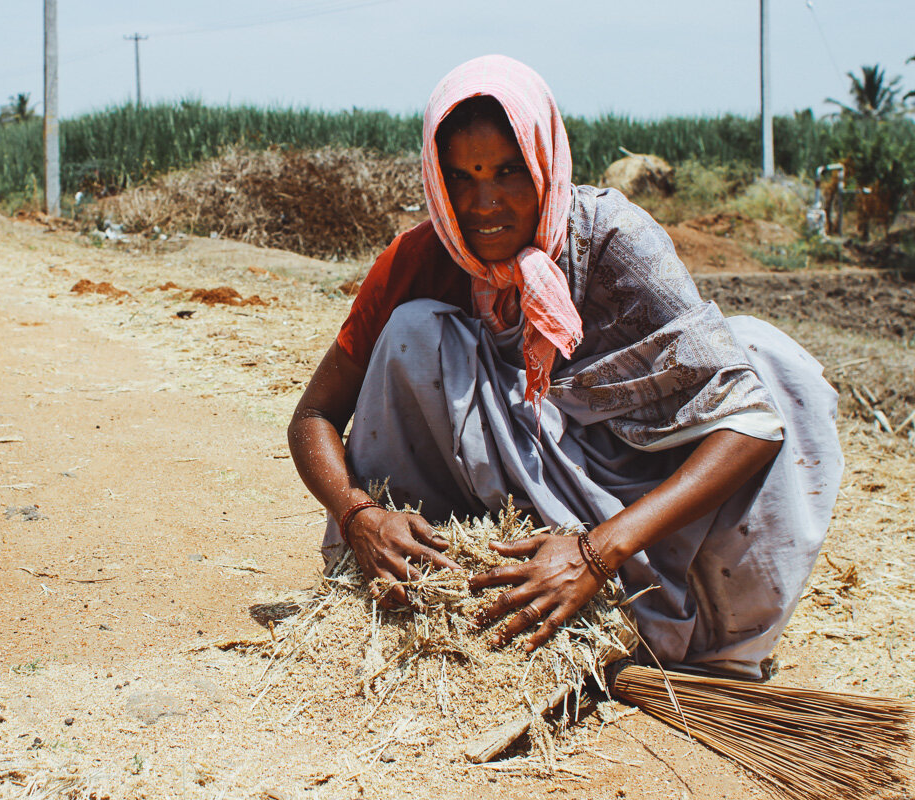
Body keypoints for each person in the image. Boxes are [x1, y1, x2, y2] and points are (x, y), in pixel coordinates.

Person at [287, 55, 842, 680]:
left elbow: (746, 417)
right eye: (462, 177)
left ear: (545, 161)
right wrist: (359, 514)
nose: (485, 202)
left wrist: (596, 554)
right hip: (497, 514)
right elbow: (312, 415)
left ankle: (709, 639)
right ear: (436, 178)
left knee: (769, 363)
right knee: (414, 330)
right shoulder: (421, 258)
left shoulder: (608, 239)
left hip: (628, 503)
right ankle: (437, 586)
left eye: (508, 170)